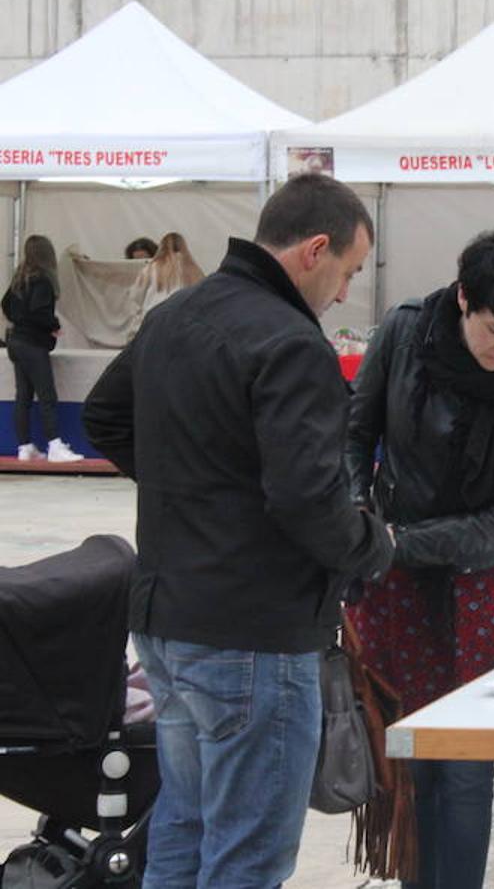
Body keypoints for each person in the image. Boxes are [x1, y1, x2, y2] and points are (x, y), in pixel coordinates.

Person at [82, 173, 396, 888]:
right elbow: (307, 500)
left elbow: (104, 416)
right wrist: (376, 546)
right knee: (246, 855)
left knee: (184, 833)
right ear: (316, 249)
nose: (345, 292)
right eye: (347, 272)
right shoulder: (291, 342)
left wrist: (196, 495)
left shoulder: (177, 315)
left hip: (168, 622)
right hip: (251, 635)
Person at [345, 228, 494, 889]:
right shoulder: (406, 333)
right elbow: (355, 430)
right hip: (399, 584)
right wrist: (357, 509)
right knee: (411, 756)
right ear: (464, 297)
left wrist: (390, 543)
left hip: (492, 584)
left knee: (468, 763)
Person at [2, 235, 84, 463]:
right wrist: (53, 326)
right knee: (47, 395)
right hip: (32, 344)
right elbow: (39, 312)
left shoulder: (20, 278)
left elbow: (6, 304)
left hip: (16, 341)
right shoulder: (43, 280)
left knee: (23, 396)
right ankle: (55, 444)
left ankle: (24, 446)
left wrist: (20, 320)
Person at [129, 232, 207, 334]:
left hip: (153, 322)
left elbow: (135, 297)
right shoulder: (195, 271)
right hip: (184, 326)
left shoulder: (150, 268)